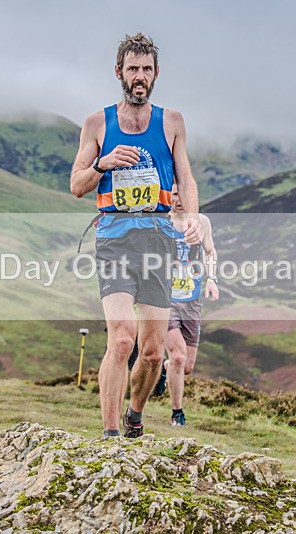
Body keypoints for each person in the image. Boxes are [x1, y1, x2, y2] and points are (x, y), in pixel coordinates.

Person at [70, 33, 202, 438]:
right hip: (114, 238)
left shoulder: (172, 122)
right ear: (119, 73)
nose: (140, 76)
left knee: (150, 352)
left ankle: (134, 413)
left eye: (146, 69)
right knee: (122, 340)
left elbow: (186, 177)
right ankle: (110, 437)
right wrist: (103, 164)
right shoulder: (97, 124)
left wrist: (193, 217)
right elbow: (77, 184)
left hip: (160, 240)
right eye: (133, 69)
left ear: (156, 74)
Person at [162, 183, 219, 426]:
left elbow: (210, 251)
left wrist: (212, 279)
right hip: (164, 301)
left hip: (192, 301)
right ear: (168, 196)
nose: (179, 199)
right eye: (175, 194)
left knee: (186, 366)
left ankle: (165, 369)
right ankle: (177, 414)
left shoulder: (201, 222)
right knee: (178, 357)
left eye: (183, 194)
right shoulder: (160, 222)